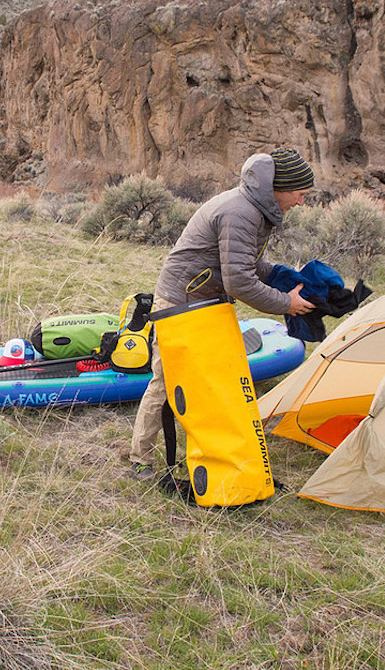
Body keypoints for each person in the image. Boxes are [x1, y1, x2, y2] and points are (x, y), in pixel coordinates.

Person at [128, 148, 317, 479]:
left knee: (211, 379)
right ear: (281, 187)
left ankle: (211, 454)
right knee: (167, 380)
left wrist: (280, 276)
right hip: (180, 303)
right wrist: (287, 304)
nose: (301, 202)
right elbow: (240, 281)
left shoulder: (252, 207)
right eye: (300, 194)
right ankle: (139, 459)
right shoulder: (241, 212)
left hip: (204, 300)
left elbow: (244, 260)